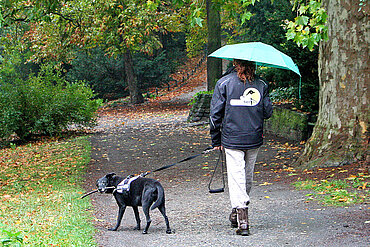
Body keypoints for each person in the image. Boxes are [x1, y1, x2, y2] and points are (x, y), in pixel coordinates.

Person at [209, 59, 273, 236]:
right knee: (247, 177)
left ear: (235, 63)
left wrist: (216, 140)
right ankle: (238, 211)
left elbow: (215, 116)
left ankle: (242, 219)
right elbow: (268, 112)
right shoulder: (261, 84)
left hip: (231, 138)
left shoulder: (223, 83)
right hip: (253, 137)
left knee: (237, 177)